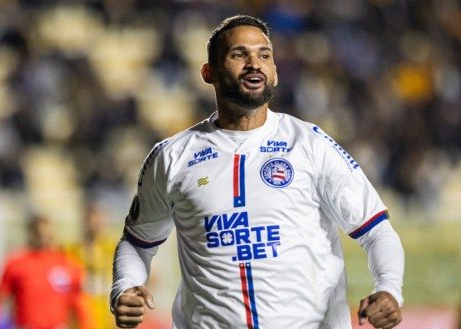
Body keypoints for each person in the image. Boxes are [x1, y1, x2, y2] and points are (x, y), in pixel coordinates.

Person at [111, 15, 405, 329]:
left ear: (275, 73)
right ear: (209, 73)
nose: (255, 63)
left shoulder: (311, 145)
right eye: (239, 54)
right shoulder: (172, 157)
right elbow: (137, 242)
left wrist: (388, 288)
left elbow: (376, 230)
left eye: (264, 55)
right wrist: (124, 287)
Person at [0, 215, 93, 329]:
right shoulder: (16, 263)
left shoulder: (68, 264)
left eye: (47, 234)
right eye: (39, 233)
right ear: (31, 233)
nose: (44, 237)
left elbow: (80, 303)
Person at [66, 203, 118, 329]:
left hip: (108, 320)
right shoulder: (70, 250)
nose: (98, 222)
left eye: (102, 218)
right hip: (79, 320)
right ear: (85, 219)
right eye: (94, 217)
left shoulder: (116, 248)